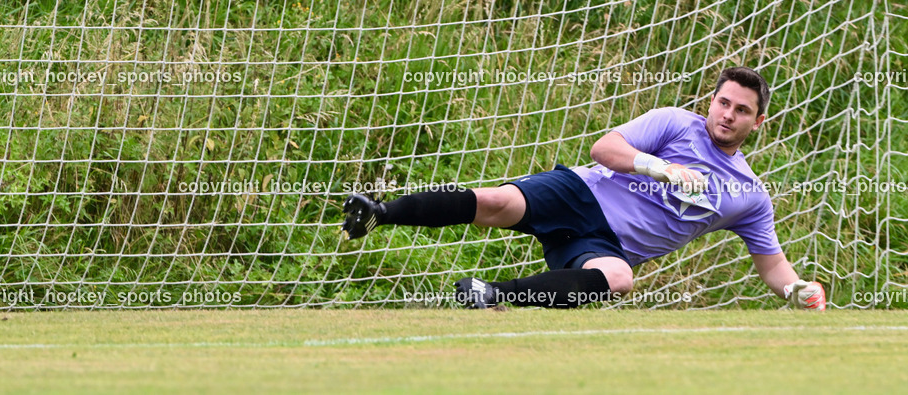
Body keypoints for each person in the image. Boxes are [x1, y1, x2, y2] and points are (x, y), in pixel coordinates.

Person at [341, 66, 826, 311]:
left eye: (741, 110)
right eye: (723, 103)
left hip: (608, 245)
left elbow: (772, 264)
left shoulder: (749, 194)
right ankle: (377, 212)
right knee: (496, 202)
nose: (728, 115)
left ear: (757, 121)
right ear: (712, 101)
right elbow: (604, 148)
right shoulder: (676, 124)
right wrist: (660, 169)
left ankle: (491, 295)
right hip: (582, 191)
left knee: (619, 280)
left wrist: (798, 290)